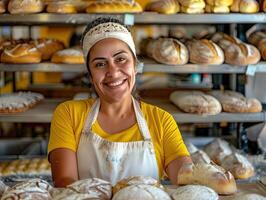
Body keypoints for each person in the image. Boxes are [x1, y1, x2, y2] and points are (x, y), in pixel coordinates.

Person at [48, 17, 192, 188]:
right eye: (100, 64)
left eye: (121, 59)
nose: (113, 72)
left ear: (135, 66)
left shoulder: (161, 121)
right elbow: (65, 184)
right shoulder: (69, 114)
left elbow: (188, 182)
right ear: (90, 75)